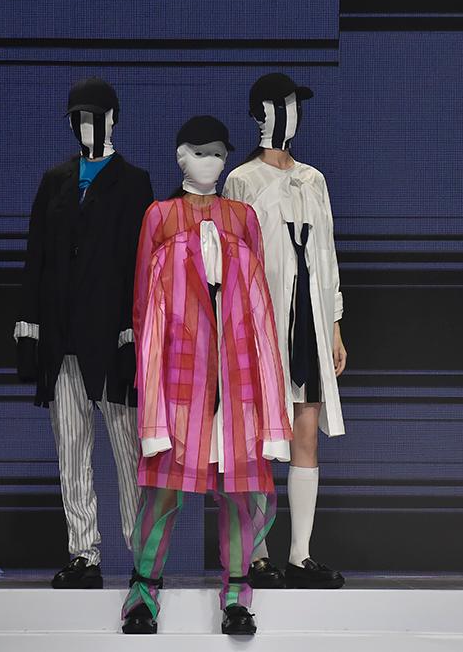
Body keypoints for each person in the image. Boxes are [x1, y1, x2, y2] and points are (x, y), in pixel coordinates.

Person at [120, 115, 292, 635]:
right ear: (180, 157)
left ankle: (237, 597)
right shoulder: (160, 215)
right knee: (163, 487)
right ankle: (143, 593)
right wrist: (149, 386)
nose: (211, 162)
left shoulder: (242, 217)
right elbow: (143, 306)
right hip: (179, 374)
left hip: (235, 376)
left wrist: (267, 395)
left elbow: (258, 306)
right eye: (200, 151)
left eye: (219, 153)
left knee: (237, 490)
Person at [14, 76, 153, 588]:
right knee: (71, 450)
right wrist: (29, 330)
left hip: (112, 337)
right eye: (78, 117)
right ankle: (83, 554)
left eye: (93, 115)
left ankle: (143, 559)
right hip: (62, 336)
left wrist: (132, 332)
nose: (85, 124)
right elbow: (37, 257)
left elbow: (141, 265)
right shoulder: (55, 180)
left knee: (128, 452)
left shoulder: (134, 183)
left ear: (113, 119)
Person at [222, 73, 348, 589]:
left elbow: (328, 254)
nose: (293, 114)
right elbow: (233, 260)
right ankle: (257, 554)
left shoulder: (314, 179)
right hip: (262, 321)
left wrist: (334, 325)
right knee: (257, 437)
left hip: (309, 321)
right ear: (262, 114)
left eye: (296, 105)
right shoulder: (241, 180)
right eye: (284, 104)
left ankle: (301, 555)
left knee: (306, 429)